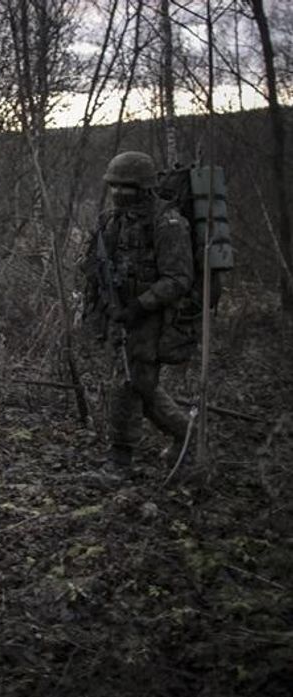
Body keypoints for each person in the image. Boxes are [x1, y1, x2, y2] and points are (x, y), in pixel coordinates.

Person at [84, 151, 195, 475]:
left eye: (127, 187)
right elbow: (95, 267)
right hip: (117, 316)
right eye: (114, 186)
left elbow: (179, 278)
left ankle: (121, 460)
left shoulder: (167, 222)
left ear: (144, 187)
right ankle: (188, 436)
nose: (119, 192)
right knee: (138, 384)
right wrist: (101, 307)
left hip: (152, 320)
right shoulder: (110, 220)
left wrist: (140, 305)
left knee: (130, 384)